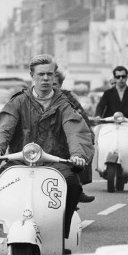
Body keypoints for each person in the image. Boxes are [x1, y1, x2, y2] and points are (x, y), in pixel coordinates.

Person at [0, 54, 94, 239]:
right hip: (21, 162)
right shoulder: (18, 102)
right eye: (41, 74)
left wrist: (78, 155)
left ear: (54, 77)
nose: (45, 78)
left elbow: (76, 131)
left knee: (73, 186)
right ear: (32, 75)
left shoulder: (65, 105)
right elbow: (3, 128)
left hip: (56, 163)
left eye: (49, 74)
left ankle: (61, 232)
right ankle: (7, 228)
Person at [53, 70, 95, 203]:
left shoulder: (69, 98)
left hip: (67, 138)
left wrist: (89, 134)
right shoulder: (31, 99)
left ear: (60, 84)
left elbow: (81, 116)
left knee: (81, 151)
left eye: (54, 83)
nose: (50, 87)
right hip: (43, 143)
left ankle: (78, 188)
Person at [94, 65, 128, 174]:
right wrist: (98, 115)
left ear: (127, 77)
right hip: (110, 123)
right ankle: (99, 160)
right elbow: (101, 105)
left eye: (123, 76)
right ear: (114, 78)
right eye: (118, 77)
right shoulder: (108, 93)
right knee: (97, 131)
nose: (121, 79)